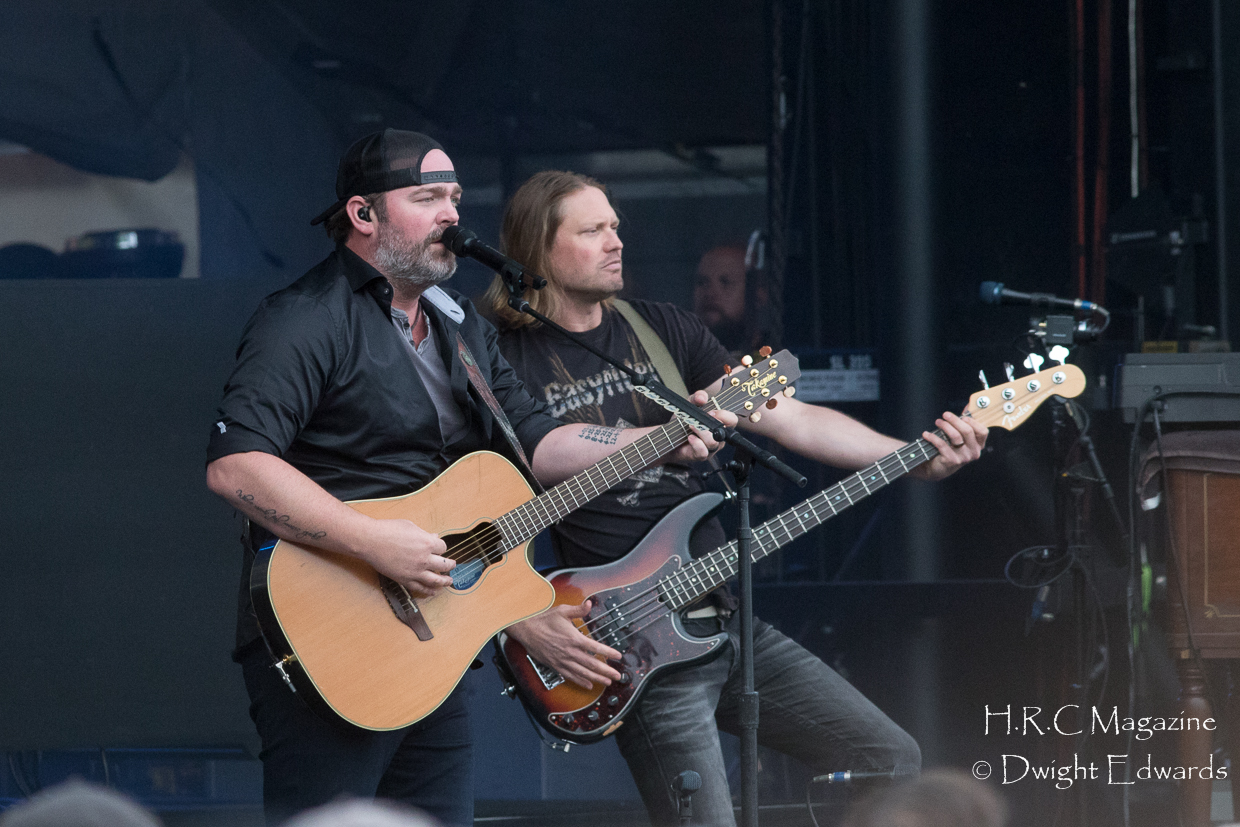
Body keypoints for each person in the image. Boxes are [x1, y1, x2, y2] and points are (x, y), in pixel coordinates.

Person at [204, 131, 731, 826]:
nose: (451, 214)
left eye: (454, 197)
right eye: (427, 198)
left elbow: (539, 443)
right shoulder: (306, 318)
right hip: (334, 631)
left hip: (438, 635)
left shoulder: (458, 324)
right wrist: (372, 541)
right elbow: (237, 465)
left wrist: (655, 441)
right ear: (363, 215)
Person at [483, 170, 989, 827]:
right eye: (592, 230)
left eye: (615, 226)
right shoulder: (501, 357)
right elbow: (498, 490)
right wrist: (516, 617)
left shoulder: (661, 327)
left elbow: (789, 416)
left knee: (888, 756)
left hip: (722, 617)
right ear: (537, 249)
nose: (615, 241)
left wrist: (913, 455)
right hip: (627, 643)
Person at [692, 242, 763, 353]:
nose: (709, 293)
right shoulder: (676, 357)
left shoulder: (779, 358)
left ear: (759, 294)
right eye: (702, 282)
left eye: (726, 282)